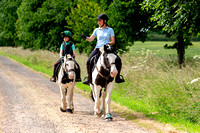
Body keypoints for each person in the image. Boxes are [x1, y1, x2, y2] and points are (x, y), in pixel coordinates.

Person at [81, 13, 125, 85]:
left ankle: (118, 78)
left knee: (118, 60)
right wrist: (85, 37)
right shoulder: (96, 30)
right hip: (98, 48)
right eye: (98, 21)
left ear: (105, 21)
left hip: (107, 49)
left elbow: (113, 41)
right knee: (88, 61)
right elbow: (91, 39)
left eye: (100, 21)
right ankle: (89, 79)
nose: (98, 22)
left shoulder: (110, 30)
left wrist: (107, 44)